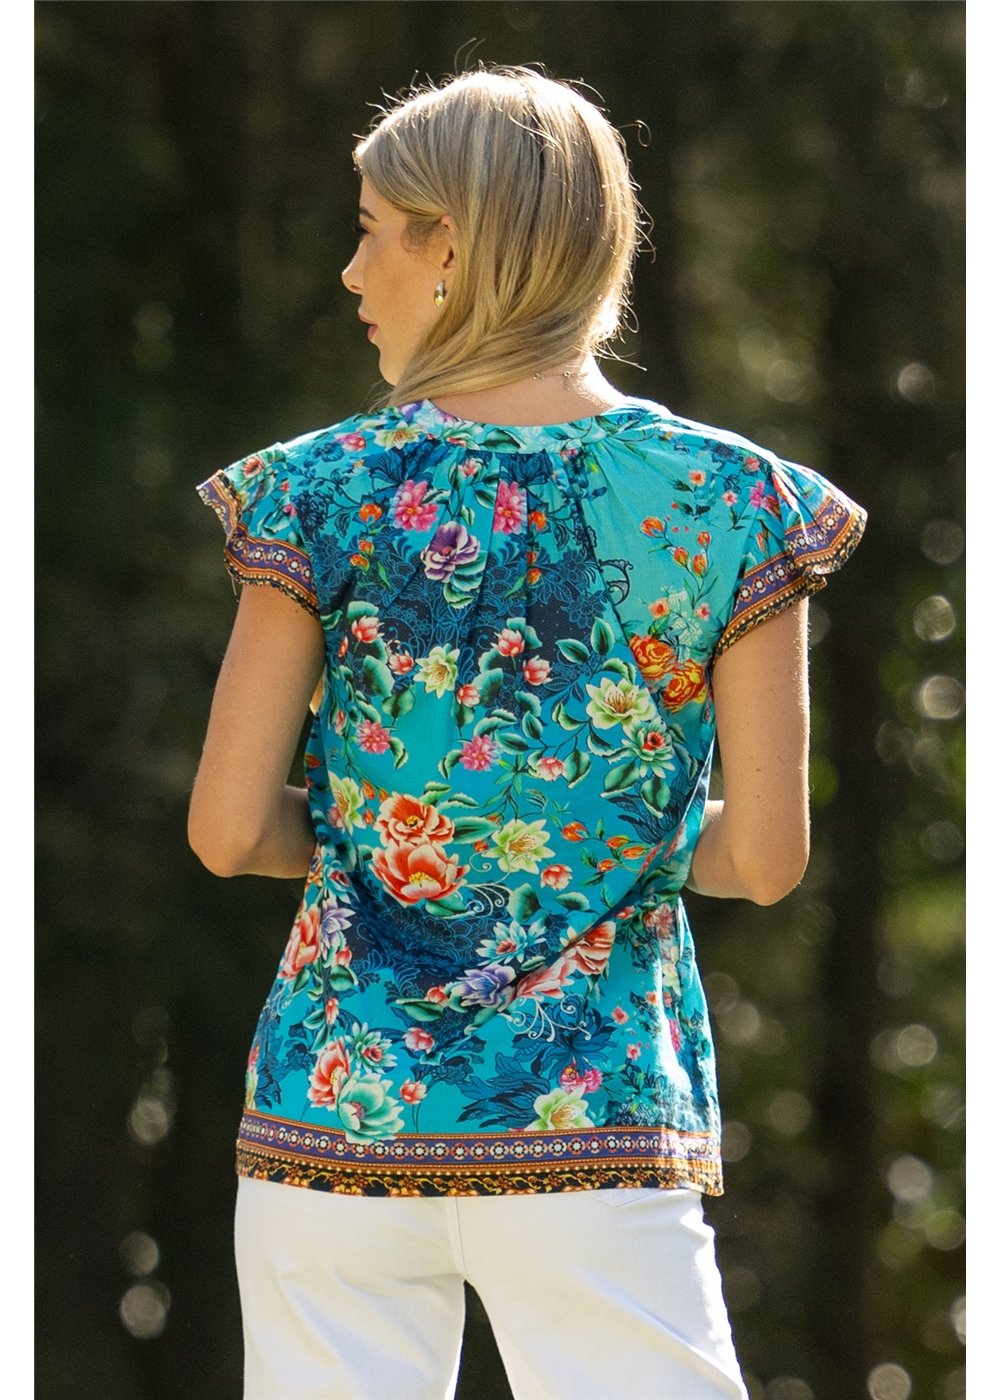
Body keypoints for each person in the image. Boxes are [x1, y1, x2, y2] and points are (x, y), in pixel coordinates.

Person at [189, 65, 866, 1400]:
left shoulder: (320, 493)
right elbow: (766, 857)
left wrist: (398, 849)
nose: (352, 271)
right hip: (597, 1123)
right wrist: (583, 848)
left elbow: (225, 829)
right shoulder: (737, 505)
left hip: (336, 1116)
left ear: (449, 244)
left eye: (372, 230)